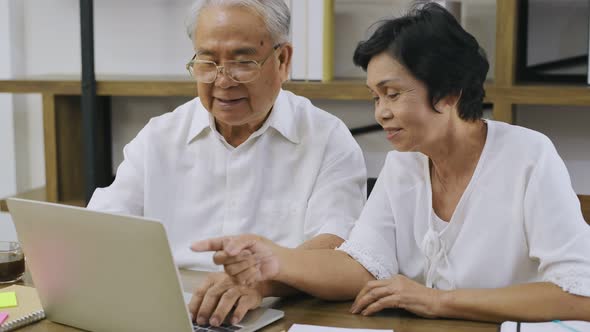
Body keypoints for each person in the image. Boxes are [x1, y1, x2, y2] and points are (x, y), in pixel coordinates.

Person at [193, 3, 590, 323]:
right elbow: (361, 268)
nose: (381, 112)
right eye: (375, 97)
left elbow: (579, 295)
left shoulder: (528, 157)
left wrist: (438, 301)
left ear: (449, 92)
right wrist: (276, 262)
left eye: (393, 93)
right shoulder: (404, 163)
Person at [88, 0, 366, 287]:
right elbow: (102, 226)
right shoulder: (159, 136)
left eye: (243, 63)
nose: (223, 81)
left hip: (279, 302)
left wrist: (260, 283)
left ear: (283, 60)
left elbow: (337, 245)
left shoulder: (327, 139)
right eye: (207, 62)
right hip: (173, 300)